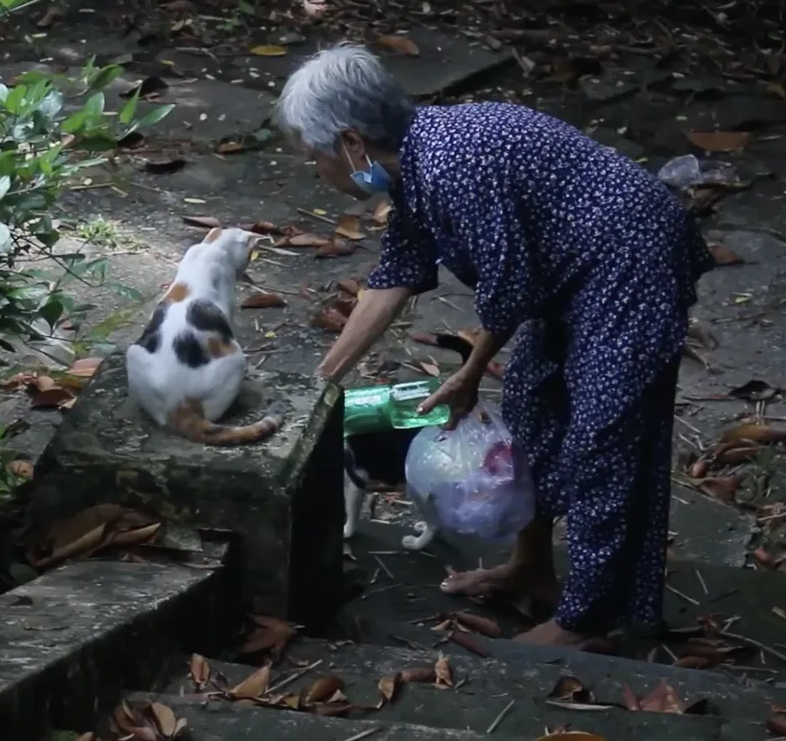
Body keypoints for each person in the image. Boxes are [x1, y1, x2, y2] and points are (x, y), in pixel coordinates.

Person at [275, 43, 714, 647]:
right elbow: (392, 280)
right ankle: (531, 567)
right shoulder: (415, 171)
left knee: (602, 439)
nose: (317, 172)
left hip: (631, 262)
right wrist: (318, 386)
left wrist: (470, 372)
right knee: (532, 406)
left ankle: (588, 621)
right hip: (574, 273)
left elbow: (509, 289)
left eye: (315, 158)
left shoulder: (451, 163)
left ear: (351, 142)